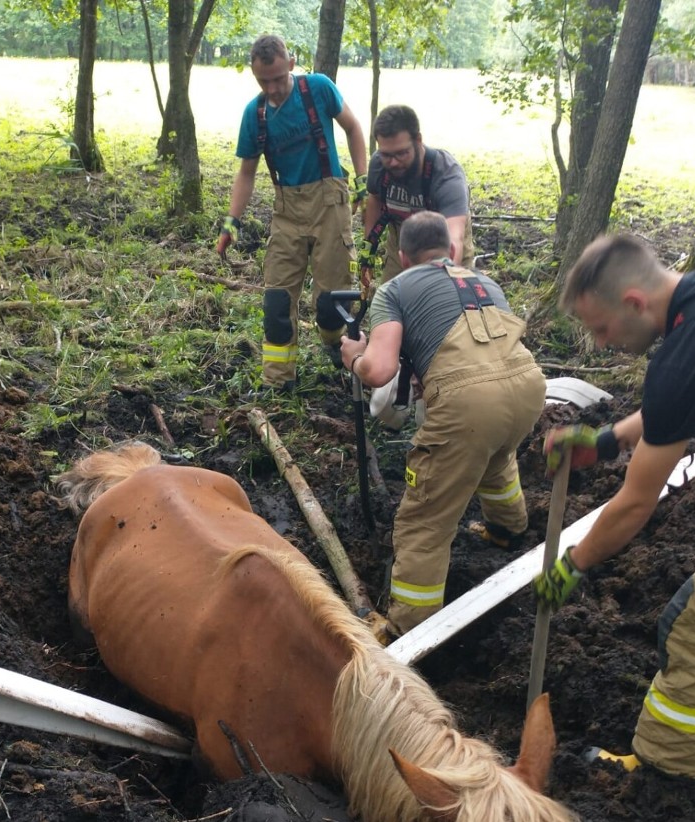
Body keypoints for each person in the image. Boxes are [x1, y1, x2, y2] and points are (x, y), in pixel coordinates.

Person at [533, 233, 695, 779]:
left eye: (601, 328)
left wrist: (573, 565)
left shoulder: (679, 362)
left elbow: (635, 503)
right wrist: (605, 441)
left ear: (635, 303)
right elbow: (679, 406)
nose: (601, 344)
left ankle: (667, 769)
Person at [339, 211, 546, 639]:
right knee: (495, 451)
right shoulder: (482, 281)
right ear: (451, 250)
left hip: (468, 404)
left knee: (426, 517)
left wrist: (354, 356)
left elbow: (379, 371)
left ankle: (409, 626)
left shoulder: (394, 289)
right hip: (528, 387)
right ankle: (508, 527)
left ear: (402, 255)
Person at [215, 35, 367, 392]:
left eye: (278, 79)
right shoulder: (255, 115)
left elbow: (354, 128)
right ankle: (278, 382)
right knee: (277, 300)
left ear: (292, 64)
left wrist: (363, 179)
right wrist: (230, 222)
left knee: (333, 303)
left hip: (330, 202)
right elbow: (246, 173)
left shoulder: (317, 89)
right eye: (263, 81)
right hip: (287, 210)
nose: (273, 88)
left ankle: (336, 345)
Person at [360, 105, 473, 290]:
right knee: (392, 304)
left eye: (401, 153)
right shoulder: (379, 165)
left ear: (418, 140)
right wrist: (368, 250)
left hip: (442, 247)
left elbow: (455, 238)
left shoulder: (446, 174)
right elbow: (375, 199)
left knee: (443, 308)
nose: (393, 162)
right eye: (387, 155)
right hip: (402, 245)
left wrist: (443, 284)